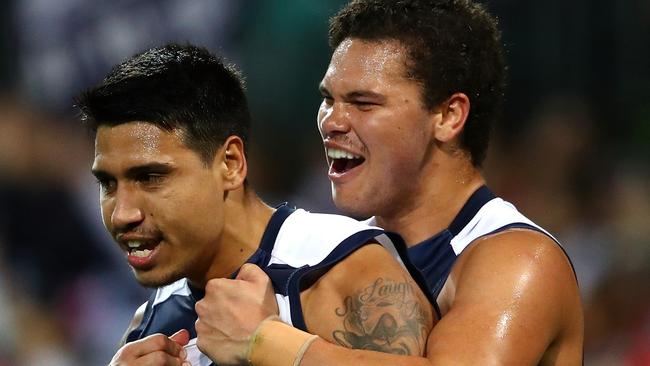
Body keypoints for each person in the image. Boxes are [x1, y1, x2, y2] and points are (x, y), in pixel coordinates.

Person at [199, 0, 584, 365]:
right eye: (328, 99)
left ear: (449, 116)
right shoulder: (332, 255)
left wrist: (268, 342)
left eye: (364, 103)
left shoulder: (520, 261)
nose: (332, 122)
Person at [75, 43, 435, 366]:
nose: (122, 213)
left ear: (230, 164)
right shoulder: (150, 323)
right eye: (107, 183)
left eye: (150, 178)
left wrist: (268, 346)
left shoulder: (339, 268)